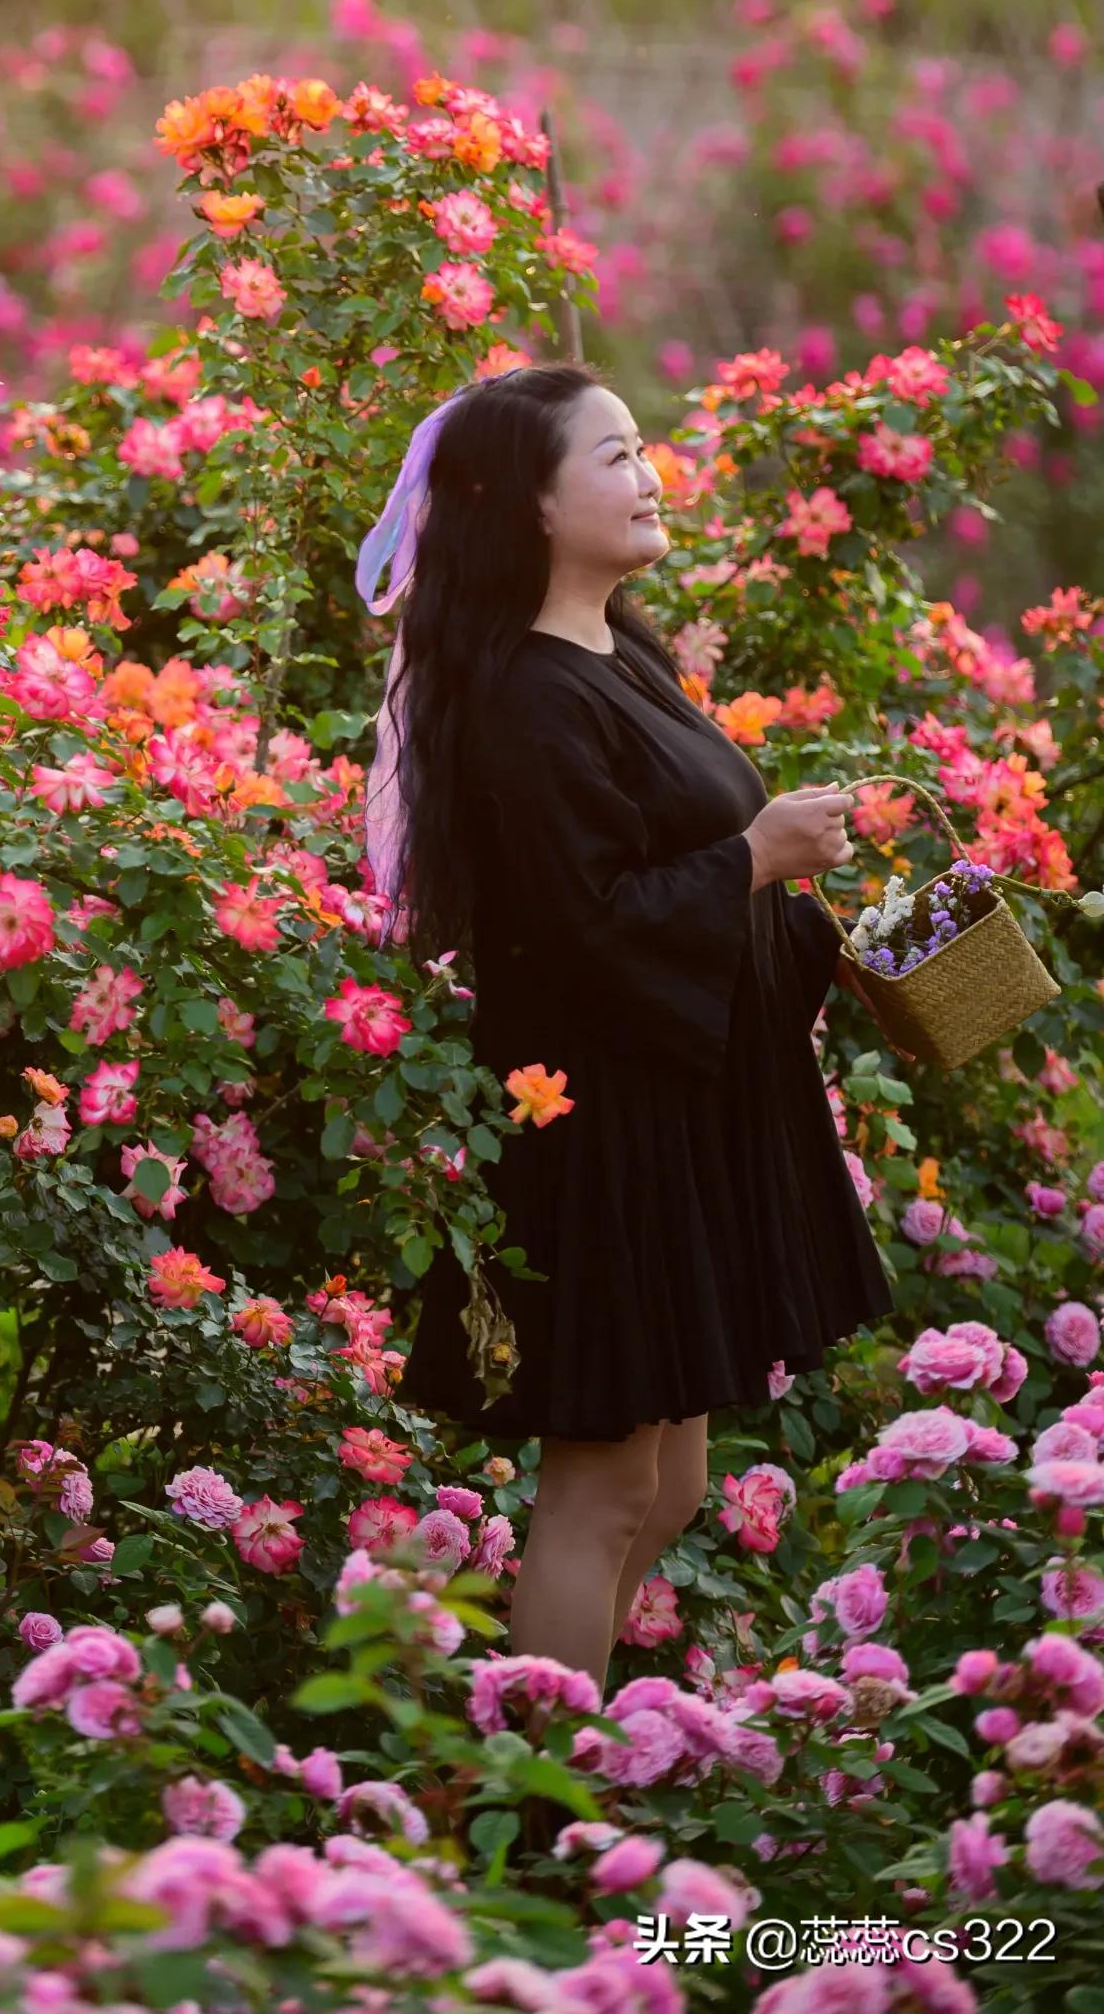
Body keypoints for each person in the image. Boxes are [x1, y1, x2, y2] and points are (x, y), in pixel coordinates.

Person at [359, 362, 890, 1691]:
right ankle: (537, 1783)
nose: (650, 477)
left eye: (643, 448)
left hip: (674, 1110)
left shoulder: (618, 657)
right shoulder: (525, 700)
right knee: (601, 1492)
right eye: (614, 458)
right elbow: (578, 930)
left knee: (668, 1486)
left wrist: (825, 919)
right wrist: (756, 858)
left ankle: (533, 1731)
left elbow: (671, 867)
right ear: (529, 504)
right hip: (601, 1137)